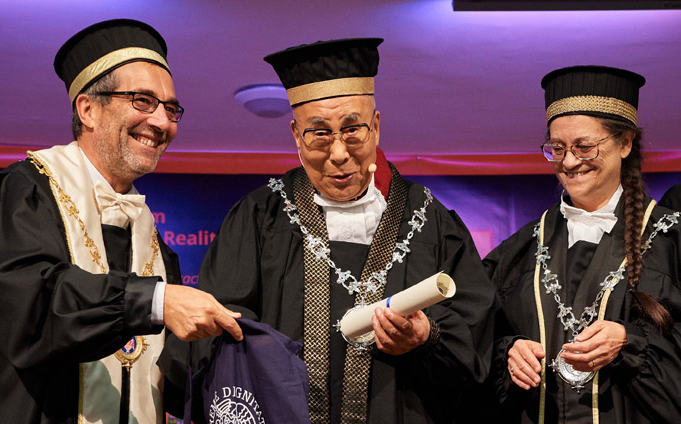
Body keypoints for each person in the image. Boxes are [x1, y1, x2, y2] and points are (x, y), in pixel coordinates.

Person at [0, 19, 241, 424]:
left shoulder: (150, 240)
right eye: (142, 100)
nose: (162, 122)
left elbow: (165, 370)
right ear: (88, 109)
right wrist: (154, 302)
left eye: (171, 108)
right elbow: (33, 308)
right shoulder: (21, 194)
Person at [185, 38, 496, 423]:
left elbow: (478, 341)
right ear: (296, 136)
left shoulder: (431, 222)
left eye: (352, 130)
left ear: (376, 127)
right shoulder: (258, 219)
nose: (338, 153)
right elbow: (218, 338)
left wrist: (426, 336)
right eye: (319, 133)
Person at [484, 66, 681, 423]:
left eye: (584, 147)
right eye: (557, 148)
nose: (568, 161)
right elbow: (475, 339)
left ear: (625, 143)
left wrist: (631, 341)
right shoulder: (518, 251)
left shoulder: (676, 240)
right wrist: (508, 352)